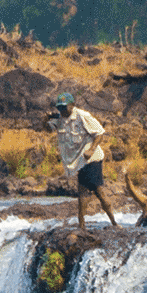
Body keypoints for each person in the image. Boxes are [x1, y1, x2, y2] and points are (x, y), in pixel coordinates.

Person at [48, 93, 118, 229]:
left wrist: (91, 149)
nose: (62, 110)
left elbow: (99, 132)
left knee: (94, 191)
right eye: (60, 108)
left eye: (65, 107)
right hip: (79, 161)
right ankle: (85, 224)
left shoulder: (82, 116)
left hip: (91, 159)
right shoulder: (60, 118)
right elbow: (46, 128)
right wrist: (45, 119)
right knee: (87, 191)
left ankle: (110, 223)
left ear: (72, 105)